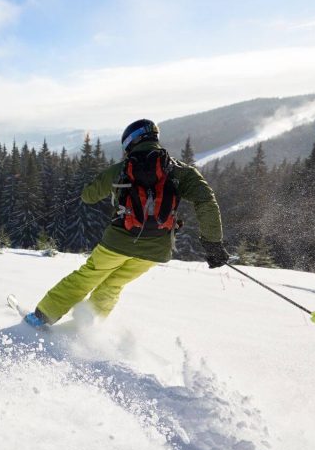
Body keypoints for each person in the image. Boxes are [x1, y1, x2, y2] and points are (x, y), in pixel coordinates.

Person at [25, 119, 227, 328]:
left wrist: (95, 185)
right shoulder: (182, 172)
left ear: (130, 141)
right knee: (114, 284)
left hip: (118, 242)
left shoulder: (121, 169)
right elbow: (206, 201)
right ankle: (87, 327)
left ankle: (41, 317)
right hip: (155, 249)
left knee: (87, 277)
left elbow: (89, 196)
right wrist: (213, 244)